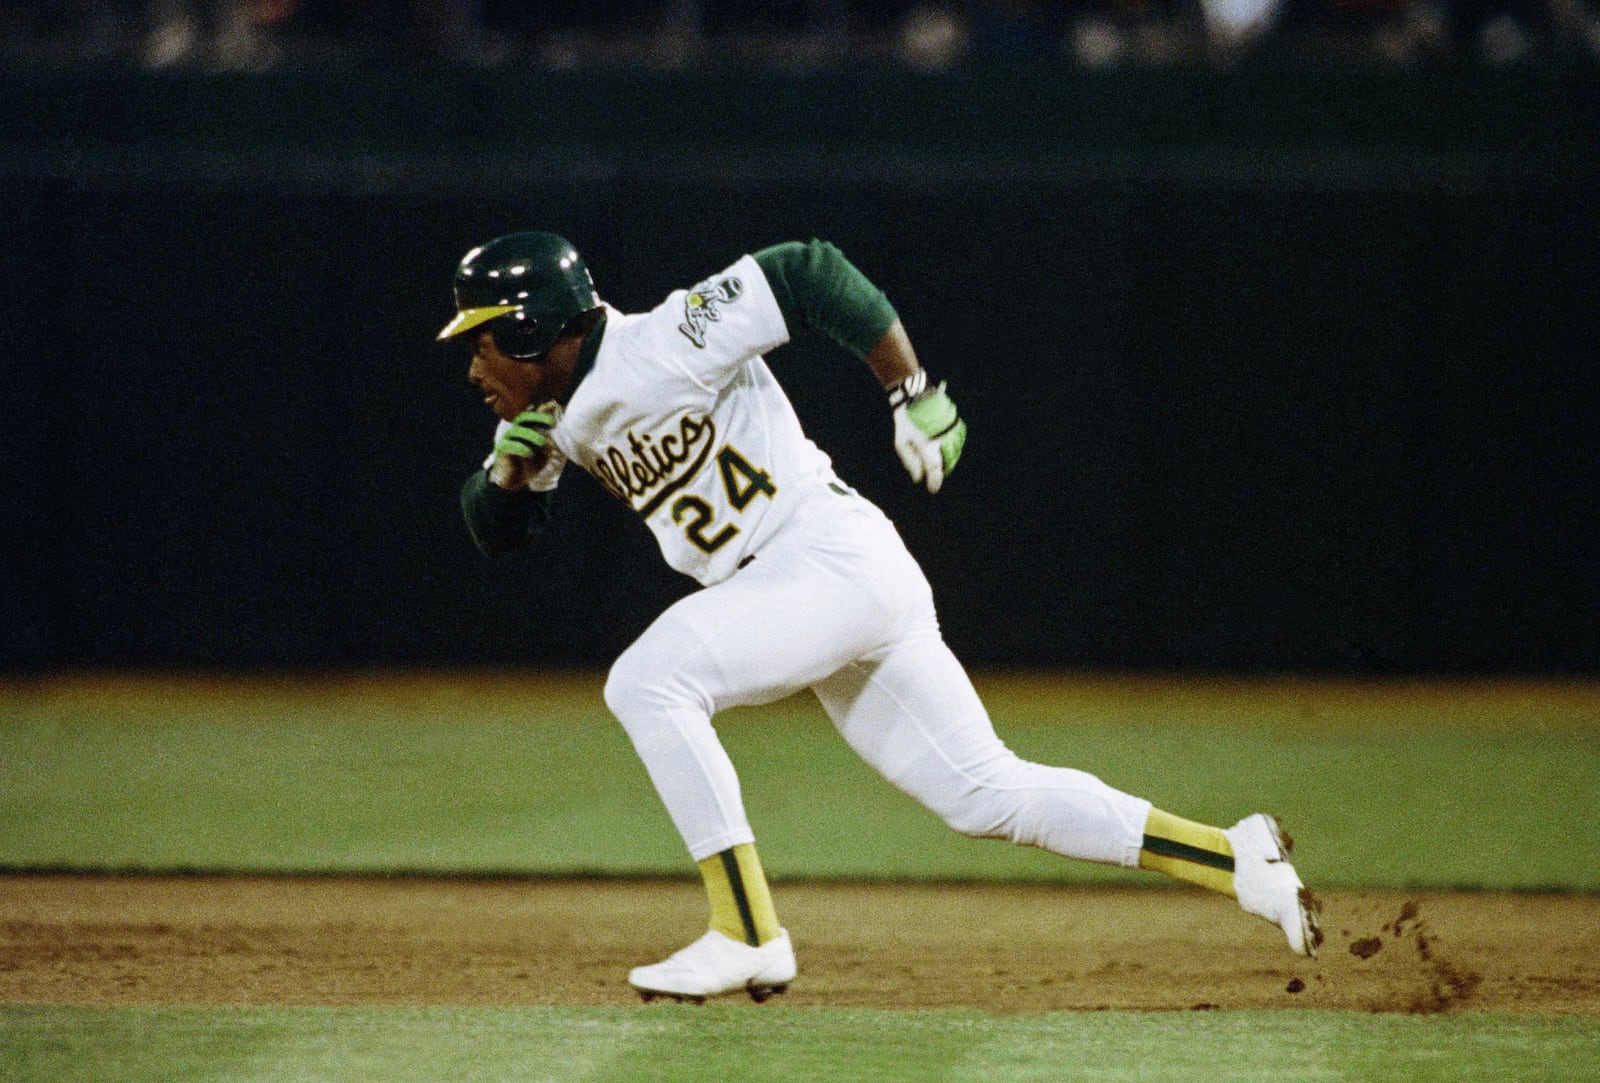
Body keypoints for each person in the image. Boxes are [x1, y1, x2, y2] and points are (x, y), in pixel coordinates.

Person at [439, 231, 1322, 1004]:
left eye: (481, 339)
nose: (474, 365)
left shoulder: (661, 338)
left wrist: (911, 391)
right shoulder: (549, 413)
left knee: (648, 679)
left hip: (820, 558)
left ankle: (745, 931)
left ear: (529, 327)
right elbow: (499, 535)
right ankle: (1235, 856)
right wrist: (504, 481)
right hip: (821, 581)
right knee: (985, 792)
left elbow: (810, 272)